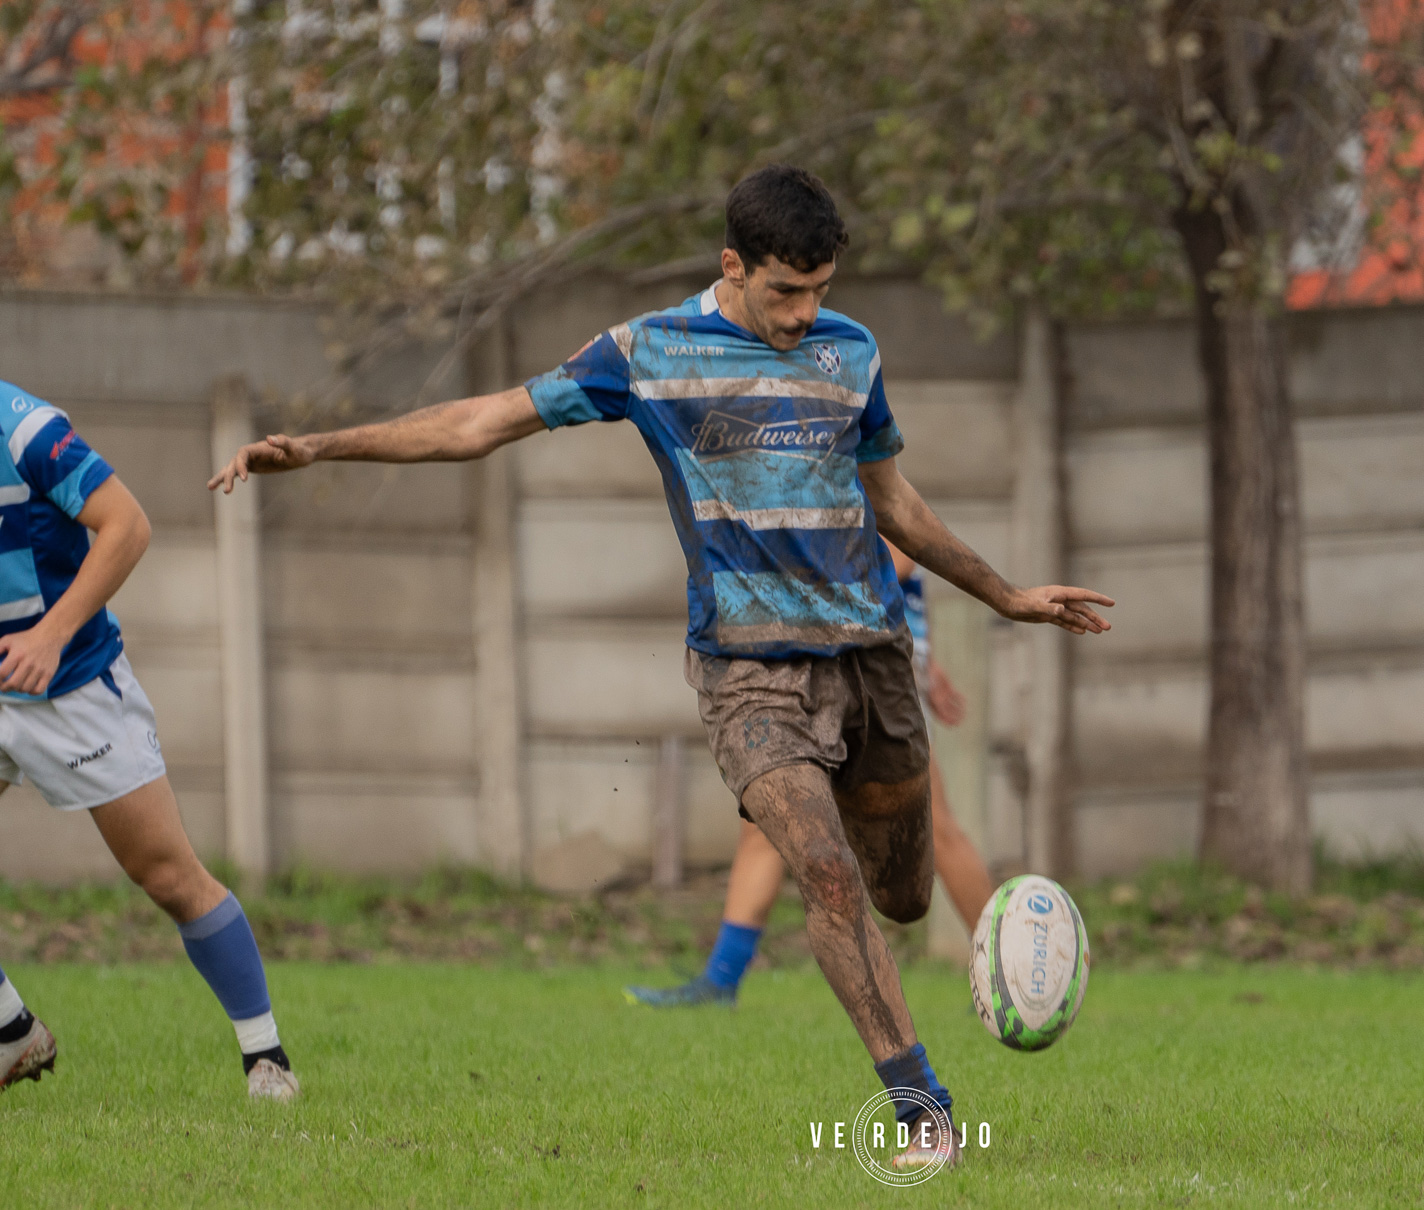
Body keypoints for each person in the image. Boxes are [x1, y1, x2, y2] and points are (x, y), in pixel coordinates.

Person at [208, 164, 1111, 1168]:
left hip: (871, 655)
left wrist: (1008, 593)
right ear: (733, 265)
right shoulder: (647, 353)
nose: (806, 312)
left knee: (901, 892)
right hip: (748, 671)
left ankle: (924, 964)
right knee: (822, 867)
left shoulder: (850, 352)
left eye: (821, 290)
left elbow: (893, 504)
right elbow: (483, 422)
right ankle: (921, 1112)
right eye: (785, 292)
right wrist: (324, 446)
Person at [0, 381, 298, 1101]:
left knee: (166, 875)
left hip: (70, 686)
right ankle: (13, 1034)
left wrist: (51, 632)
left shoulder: (27, 430)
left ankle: (267, 1059)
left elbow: (127, 525)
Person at [625, 538, 994, 1007]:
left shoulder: (844, 466)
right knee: (768, 816)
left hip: (863, 656)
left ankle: (1004, 969)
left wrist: (915, 657)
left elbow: (900, 552)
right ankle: (720, 980)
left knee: (935, 827)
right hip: (830, 650)